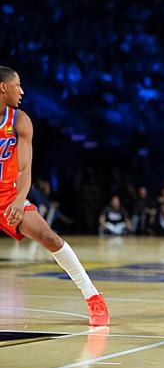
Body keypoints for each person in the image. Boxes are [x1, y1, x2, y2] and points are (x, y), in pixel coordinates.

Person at [0, 66, 109, 325]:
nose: (22, 91)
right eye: (17, 85)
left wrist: (19, 199)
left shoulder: (19, 121)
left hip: (8, 195)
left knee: (49, 237)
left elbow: (25, 168)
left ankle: (93, 296)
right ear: (3, 88)